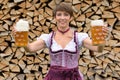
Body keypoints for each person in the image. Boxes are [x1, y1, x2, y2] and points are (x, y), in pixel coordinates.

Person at [12, 2, 109, 80]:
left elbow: (98, 49)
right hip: (53, 77)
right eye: (59, 15)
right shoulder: (49, 38)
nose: (62, 18)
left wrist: (102, 38)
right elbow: (30, 48)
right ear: (55, 18)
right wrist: (21, 39)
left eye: (66, 15)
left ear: (70, 18)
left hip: (74, 77)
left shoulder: (78, 37)